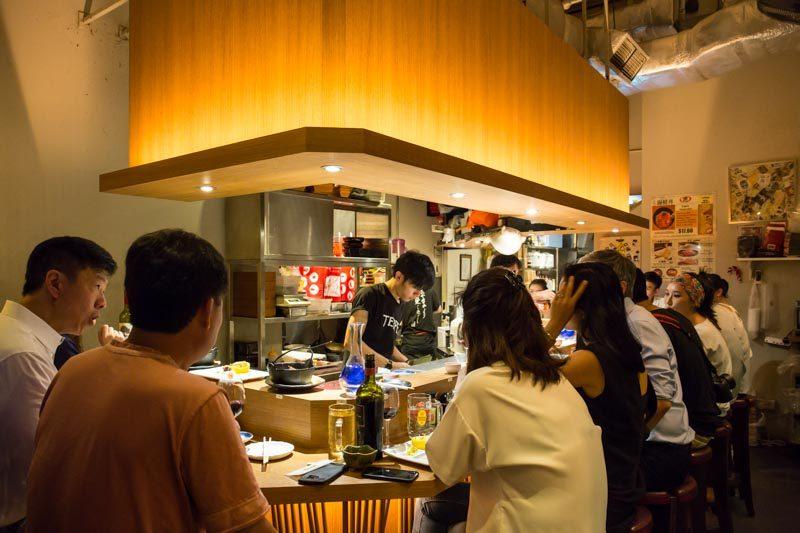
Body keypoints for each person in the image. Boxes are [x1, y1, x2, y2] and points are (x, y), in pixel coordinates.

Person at [26, 230, 274, 533]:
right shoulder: (198, 401)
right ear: (208, 311)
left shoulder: (71, 371)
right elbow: (248, 528)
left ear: (128, 300)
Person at [425, 268, 606, 532]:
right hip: (585, 524)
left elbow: (442, 466)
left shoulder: (483, 385)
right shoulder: (556, 379)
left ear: (473, 328)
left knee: (431, 505)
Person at [0, 236, 116, 532]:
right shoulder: (23, 354)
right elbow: (57, 460)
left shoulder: (16, 336)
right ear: (55, 284)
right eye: (97, 287)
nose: (102, 302)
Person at [579, 250, 694, 492]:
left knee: (572, 479)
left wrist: (627, 446)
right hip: (645, 446)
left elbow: (662, 403)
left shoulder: (637, 323)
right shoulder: (616, 321)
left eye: (586, 282)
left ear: (620, 287)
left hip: (659, 452)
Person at [559, 262, 648, 533]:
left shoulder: (589, 360)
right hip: (625, 482)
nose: (557, 302)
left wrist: (554, 323)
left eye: (562, 296)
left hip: (602, 497)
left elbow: (523, 381)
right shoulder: (628, 350)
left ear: (580, 306)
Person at [346, 250, 435, 369]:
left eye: (421, 290)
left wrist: (408, 362)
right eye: (415, 287)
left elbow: (387, 346)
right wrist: (390, 365)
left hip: (380, 373)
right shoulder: (369, 295)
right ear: (399, 276)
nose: (418, 294)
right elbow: (351, 342)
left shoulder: (400, 303)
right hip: (358, 372)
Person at [649, 305, 723, 448]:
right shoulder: (675, 319)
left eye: (676, 295)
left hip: (696, 426)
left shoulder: (654, 326)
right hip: (707, 414)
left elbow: (663, 403)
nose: (669, 301)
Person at [665, 273, 734, 414]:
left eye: (676, 295)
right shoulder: (695, 323)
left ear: (694, 300)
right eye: (666, 294)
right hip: (706, 397)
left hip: (712, 406)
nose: (668, 302)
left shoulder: (700, 332)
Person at [706, 273, 752, 396]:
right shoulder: (728, 310)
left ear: (718, 292)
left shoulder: (716, 312)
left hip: (726, 382)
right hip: (735, 380)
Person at [399, 288, 442, 361]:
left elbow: (399, 318)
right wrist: (426, 314)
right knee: (430, 366)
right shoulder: (430, 289)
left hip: (410, 339)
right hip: (427, 339)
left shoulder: (404, 290)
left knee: (410, 366)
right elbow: (439, 309)